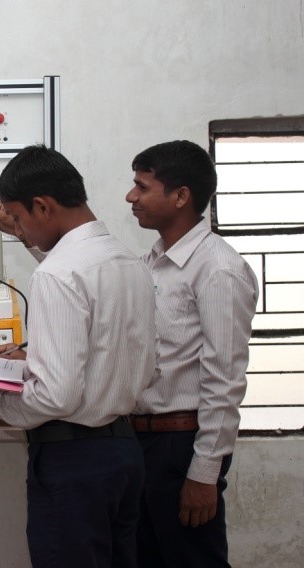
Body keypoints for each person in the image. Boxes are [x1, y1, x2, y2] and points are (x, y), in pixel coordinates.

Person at [0, 145, 157, 567]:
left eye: (18, 218)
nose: (19, 229)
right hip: (125, 455)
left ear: (42, 206)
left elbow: (55, 397)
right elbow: (134, 360)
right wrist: (32, 355)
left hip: (73, 463)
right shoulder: (131, 264)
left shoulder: (57, 274)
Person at [126, 140, 258, 567]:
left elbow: (225, 378)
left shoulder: (218, 269)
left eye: (142, 187)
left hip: (182, 446)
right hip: (142, 442)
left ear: (181, 196)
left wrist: (204, 473)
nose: (131, 197)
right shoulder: (154, 261)